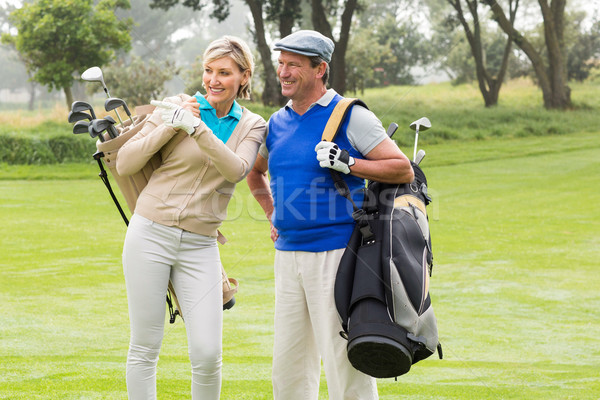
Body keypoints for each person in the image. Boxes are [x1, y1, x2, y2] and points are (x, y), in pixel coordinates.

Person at [246, 30, 415, 399]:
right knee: (288, 365)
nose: (284, 72)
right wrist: (273, 213)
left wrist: (350, 163)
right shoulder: (276, 122)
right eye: (281, 63)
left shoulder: (349, 115)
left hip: (338, 255)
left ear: (320, 68)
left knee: (343, 360)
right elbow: (254, 171)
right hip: (288, 257)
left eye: (294, 64)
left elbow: (402, 169)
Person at [115, 36, 266, 400]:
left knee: (207, 352)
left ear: (244, 77)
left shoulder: (253, 124)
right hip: (149, 234)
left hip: (200, 245)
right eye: (208, 71)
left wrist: (197, 129)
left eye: (224, 73)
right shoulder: (177, 106)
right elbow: (125, 162)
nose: (213, 80)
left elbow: (235, 170)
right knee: (146, 345)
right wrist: (170, 124)